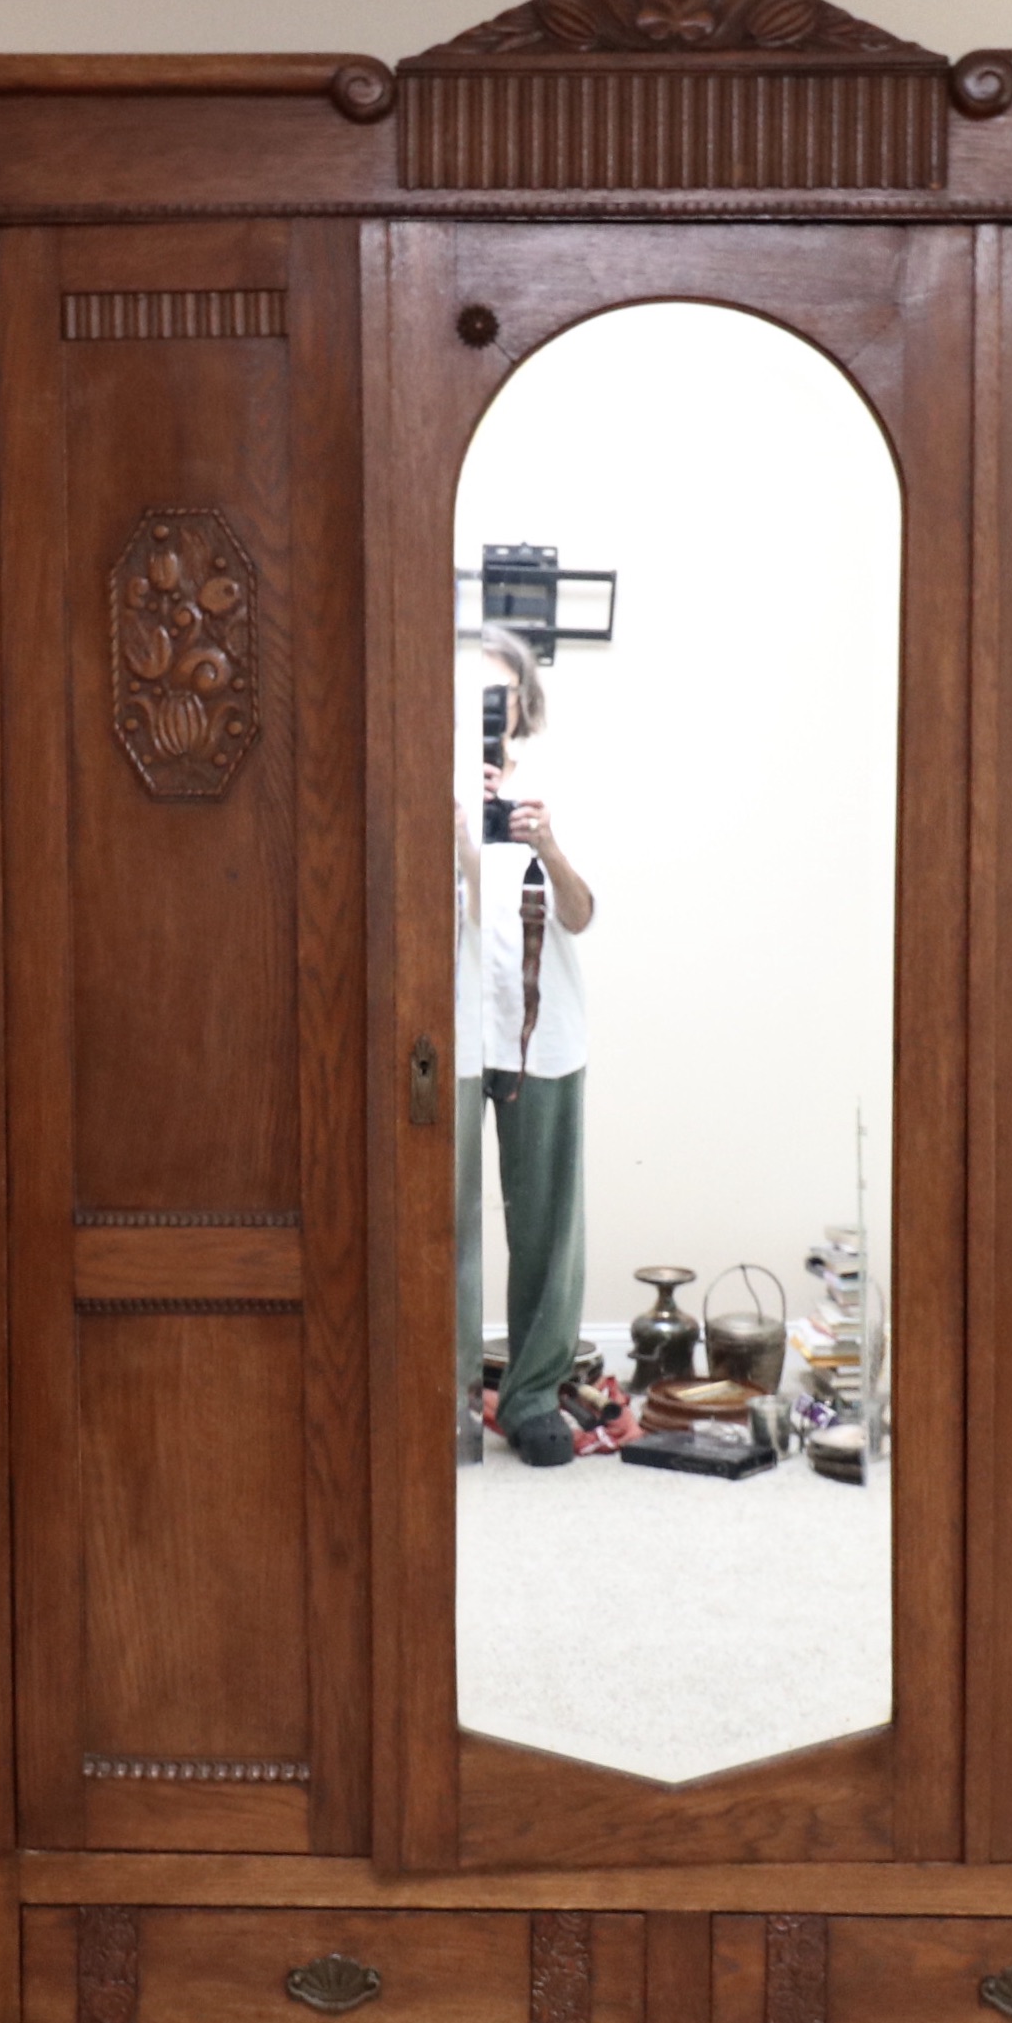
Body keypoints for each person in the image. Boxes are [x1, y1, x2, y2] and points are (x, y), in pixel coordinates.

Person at [468, 624, 594, 1469]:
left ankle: (535, 1393)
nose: (484, 706)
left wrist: (544, 839)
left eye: (497, 691)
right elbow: (464, 915)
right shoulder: (411, 770)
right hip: (440, 1021)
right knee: (438, 1216)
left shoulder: (556, 782)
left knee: (548, 1218)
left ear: (520, 702)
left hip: (542, 1027)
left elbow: (581, 913)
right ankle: (435, 1390)